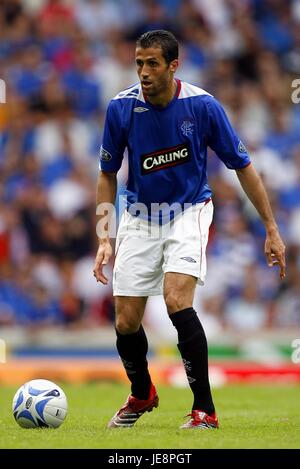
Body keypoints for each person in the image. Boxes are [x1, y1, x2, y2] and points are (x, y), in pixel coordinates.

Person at [93, 30, 286, 429]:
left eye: (152, 64)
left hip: (188, 211)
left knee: (176, 299)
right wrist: (104, 237)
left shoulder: (203, 106)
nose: (143, 72)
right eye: (138, 63)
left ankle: (204, 410)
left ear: (173, 65)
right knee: (126, 321)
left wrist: (270, 227)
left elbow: (243, 166)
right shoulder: (120, 108)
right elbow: (107, 175)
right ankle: (142, 392)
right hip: (140, 216)